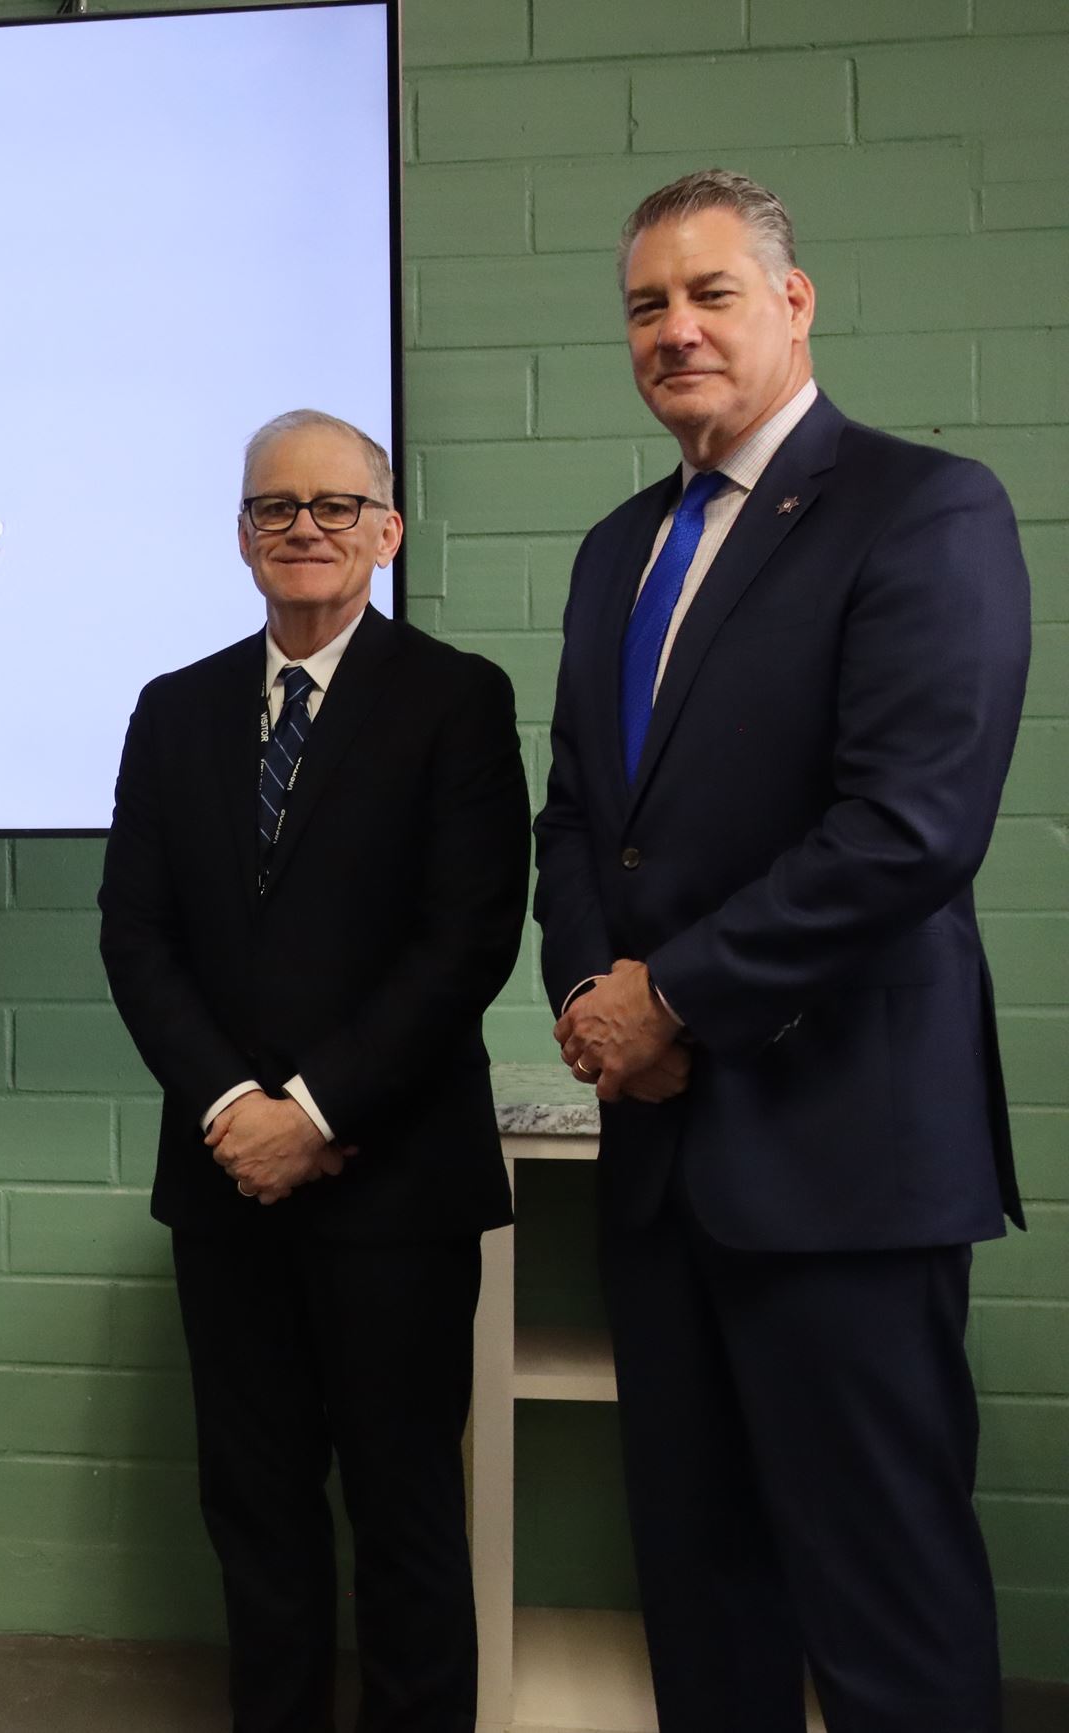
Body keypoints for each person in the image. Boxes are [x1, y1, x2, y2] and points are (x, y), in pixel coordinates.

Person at [535, 168, 1029, 1731]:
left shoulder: (924, 507)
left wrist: (672, 997)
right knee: (704, 1604)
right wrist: (590, 999)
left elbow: (911, 827)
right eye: (645, 306)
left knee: (886, 1612)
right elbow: (579, 820)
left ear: (794, 302)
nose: (674, 330)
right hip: (664, 1165)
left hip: (843, 1165)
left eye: (711, 293)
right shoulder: (617, 549)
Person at [99, 409, 528, 1732]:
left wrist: (317, 1109)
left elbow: (466, 939)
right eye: (274, 507)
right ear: (240, 536)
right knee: (255, 1513)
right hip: (225, 1182)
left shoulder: (456, 699)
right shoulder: (173, 710)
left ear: (385, 532)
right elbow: (135, 935)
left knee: (406, 1516)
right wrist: (238, 1109)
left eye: (334, 505)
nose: (303, 528)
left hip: (395, 1189)